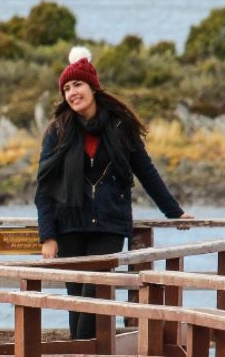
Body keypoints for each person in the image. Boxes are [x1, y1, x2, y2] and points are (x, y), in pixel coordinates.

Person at [35, 47, 193, 341]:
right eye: (66, 88)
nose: (72, 93)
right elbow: (43, 187)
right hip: (68, 225)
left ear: (93, 87)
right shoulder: (58, 130)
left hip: (108, 223)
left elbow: (146, 171)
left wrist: (174, 212)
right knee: (76, 303)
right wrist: (48, 236)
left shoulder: (120, 127)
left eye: (77, 85)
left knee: (94, 297)